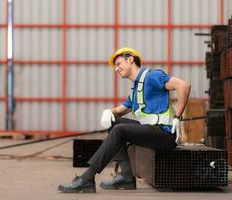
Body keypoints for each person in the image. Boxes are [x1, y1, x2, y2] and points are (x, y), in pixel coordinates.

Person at [58, 47, 191, 193]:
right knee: (113, 123)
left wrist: (178, 117)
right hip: (151, 131)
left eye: (119, 63)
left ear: (130, 60)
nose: (116, 69)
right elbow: (121, 110)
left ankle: (87, 178)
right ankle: (126, 176)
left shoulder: (152, 76)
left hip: (165, 134)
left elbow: (183, 86)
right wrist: (109, 112)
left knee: (119, 130)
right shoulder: (136, 90)